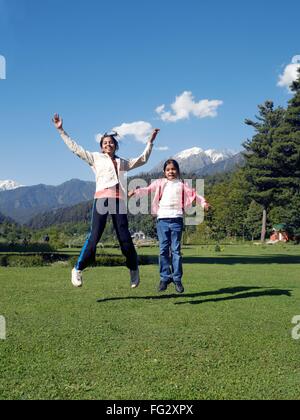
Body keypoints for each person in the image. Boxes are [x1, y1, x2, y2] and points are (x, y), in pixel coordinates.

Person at [52, 114, 160, 288]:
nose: (108, 144)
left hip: (118, 201)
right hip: (102, 200)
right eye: (104, 143)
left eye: (110, 142)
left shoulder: (122, 162)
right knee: (94, 237)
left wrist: (150, 142)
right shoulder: (95, 158)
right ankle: (78, 269)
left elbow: (142, 160)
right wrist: (61, 130)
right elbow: (75, 149)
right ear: (101, 147)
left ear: (115, 146)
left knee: (125, 238)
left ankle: (133, 268)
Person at [129, 159, 210, 293]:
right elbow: (147, 190)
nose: (170, 172)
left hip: (177, 219)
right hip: (162, 220)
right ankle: (165, 278)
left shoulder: (182, 184)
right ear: (164, 172)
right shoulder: (160, 183)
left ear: (177, 170)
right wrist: (135, 192)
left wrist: (204, 203)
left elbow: (195, 195)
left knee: (176, 251)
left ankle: (177, 279)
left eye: (173, 169)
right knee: (163, 250)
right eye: (168, 170)